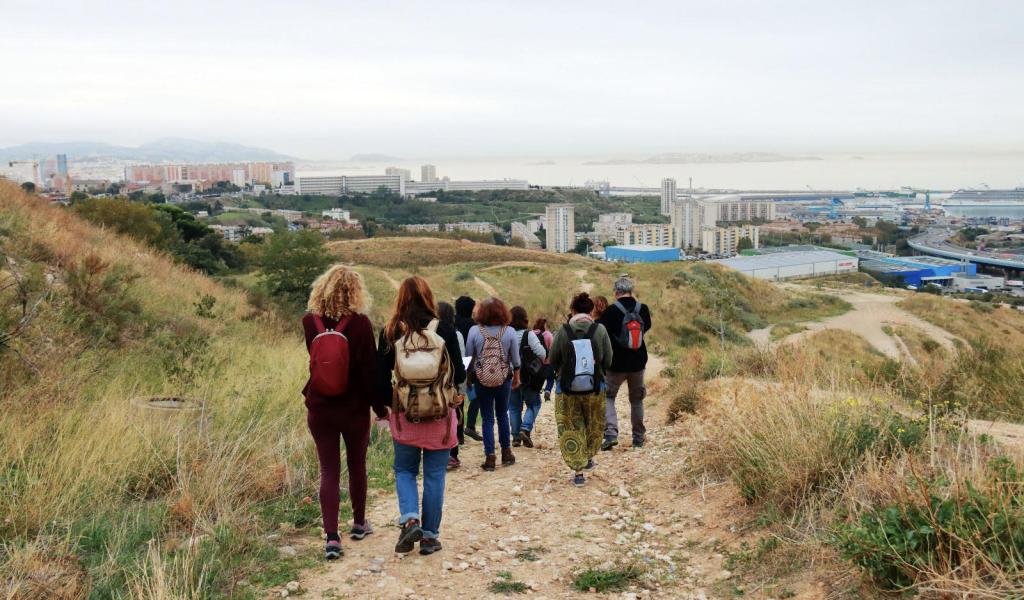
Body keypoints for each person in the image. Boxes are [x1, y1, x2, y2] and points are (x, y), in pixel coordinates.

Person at [377, 276, 466, 555]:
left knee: (404, 470)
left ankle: (409, 518)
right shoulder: (445, 329)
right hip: (439, 413)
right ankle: (429, 536)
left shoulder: (391, 330)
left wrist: (386, 407)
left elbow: (380, 376)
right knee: (435, 475)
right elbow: (460, 374)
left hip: (406, 415)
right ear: (428, 297)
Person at [302, 265, 384, 561]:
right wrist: (380, 408)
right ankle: (360, 524)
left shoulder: (309, 322)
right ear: (355, 292)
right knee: (357, 464)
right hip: (353, 408)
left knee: (328, 470)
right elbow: (369, 372)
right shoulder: (361, 324)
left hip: (320, 407)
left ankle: (332, 538)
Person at [549, 292, 613, 486]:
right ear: (591, 310)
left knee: (571, 427)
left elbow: (552, 359)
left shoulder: (563, 330)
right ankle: (588, 458)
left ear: (573, 310)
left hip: (567, 389)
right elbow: (608, 360)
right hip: (595, 388)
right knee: (593, 425)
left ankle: (578, 473)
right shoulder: (600, 330)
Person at [597, 275, 653, 450]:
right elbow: (647, 327)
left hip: (616, 364)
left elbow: (601, 332)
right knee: (636, 400)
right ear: (631, 291)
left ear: (616, 292)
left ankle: (611, 434)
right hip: (638, 362)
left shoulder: (611, 311)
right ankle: (638, 438)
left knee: (608, 397)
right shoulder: (642, 308)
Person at [465, 297, 521, 471]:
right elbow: (516, 359)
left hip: (481, 379)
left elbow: (468, 357)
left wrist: (468, 379)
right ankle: (506, 453)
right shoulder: (510, 331)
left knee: (487, 418)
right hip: (504, 378)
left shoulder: (474, 331)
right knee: (502, 414)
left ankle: (490, 457)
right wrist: (517, 376)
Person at [508, 306, 546, 448]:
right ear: (525, 319)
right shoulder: (528, 335)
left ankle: (516, 437)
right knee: (534, 404)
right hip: (527, 377)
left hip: (510, 376)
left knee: (514, 407)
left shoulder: (505, 334)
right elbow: (542, 353)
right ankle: (525, 428)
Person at [438, 301, 466, 470]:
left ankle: (438, 452)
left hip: (431, 382)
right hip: (450, 383)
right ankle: (452, 454)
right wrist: (461, 385)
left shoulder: (427, 332)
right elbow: (461, 360)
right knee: (452, 417)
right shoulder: (455, 334)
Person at [455, 296, 482, 441]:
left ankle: (457, 434)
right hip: (468, 363)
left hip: (451, 363)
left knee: (455, 399)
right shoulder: (472, 325)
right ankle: (467, 428)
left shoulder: (451, 321)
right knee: (472, 397)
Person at [532, 318, 555, 402]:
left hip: (537, 363)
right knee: (550, 379)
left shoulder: (532, 334)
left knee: (538, 379)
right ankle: (547, 390)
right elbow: (552, 349)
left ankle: (536, 393)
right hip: (548, 363)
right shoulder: (548, 335)